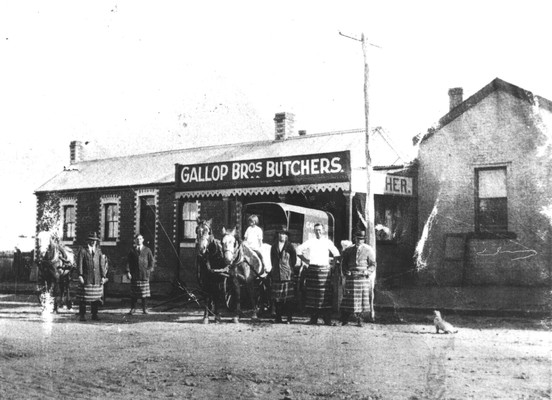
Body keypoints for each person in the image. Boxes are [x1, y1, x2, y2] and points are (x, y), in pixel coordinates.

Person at [296, 223, 340, 326]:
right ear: (313, 231)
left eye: (319, 230)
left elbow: (336, 253)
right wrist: (306, 260)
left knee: (325, 296)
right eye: (316, 230)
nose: (318, 232)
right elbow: (298, 250)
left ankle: (327, 320)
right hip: (313, 270)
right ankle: (313, 319)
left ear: (323, 231)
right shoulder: (311, 241)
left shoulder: (327, 242)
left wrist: (332, 265)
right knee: (312, 296)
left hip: (324, 270)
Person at [339, 230, 376, 327]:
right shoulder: (348, 250)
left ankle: (360, 320)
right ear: (355, 238)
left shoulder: (368, 250)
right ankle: (345, 319)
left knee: (362, 300)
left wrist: (367, 272)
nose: (359, 241)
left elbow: (373, 264)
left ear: (364, 240)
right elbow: (344, 264)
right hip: (351, 277)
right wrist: (346, 271)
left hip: (362, 278)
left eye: (362, 239)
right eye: (358, 239)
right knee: (348, 298)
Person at [269, 225, 297, 324]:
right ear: (278, 235)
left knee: (288, 298)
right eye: (280, 233)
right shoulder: (273, 246)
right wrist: (275, 270)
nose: (282, 236)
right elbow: (272, 260)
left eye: (284, 234)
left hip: (286, 275)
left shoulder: (290, 246)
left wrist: (288, 269)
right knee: (277, 298)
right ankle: (278, 317)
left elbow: (294, 260)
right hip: (276, 274)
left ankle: (289, 318)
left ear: (286, 236)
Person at [76, 232, 107, 321]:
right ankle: (82, 315)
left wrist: (103, 276)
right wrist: (80, 275)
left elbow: (101, 264)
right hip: (86, 277)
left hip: (96, 277)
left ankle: (94, 314)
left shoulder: (98, 251)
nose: (93, 242)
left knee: (96, 298)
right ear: (88, 241)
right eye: (91, 240)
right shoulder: (83, 251)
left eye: (95, 241)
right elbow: (80, 264)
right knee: (83, 298)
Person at [126, 234, 155, 315]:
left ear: (143, 240)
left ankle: (145, 309)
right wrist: (128, 272)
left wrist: (148, 270)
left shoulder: (147, 250)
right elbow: (128, 262)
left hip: (144, 275)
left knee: (144, 294)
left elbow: (151, 262)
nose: (138, 240)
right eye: (137, 239)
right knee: (133, 294)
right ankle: (133, 309)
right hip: (134, 274)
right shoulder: (132, 250)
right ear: (135, 240)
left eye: (140, 239)